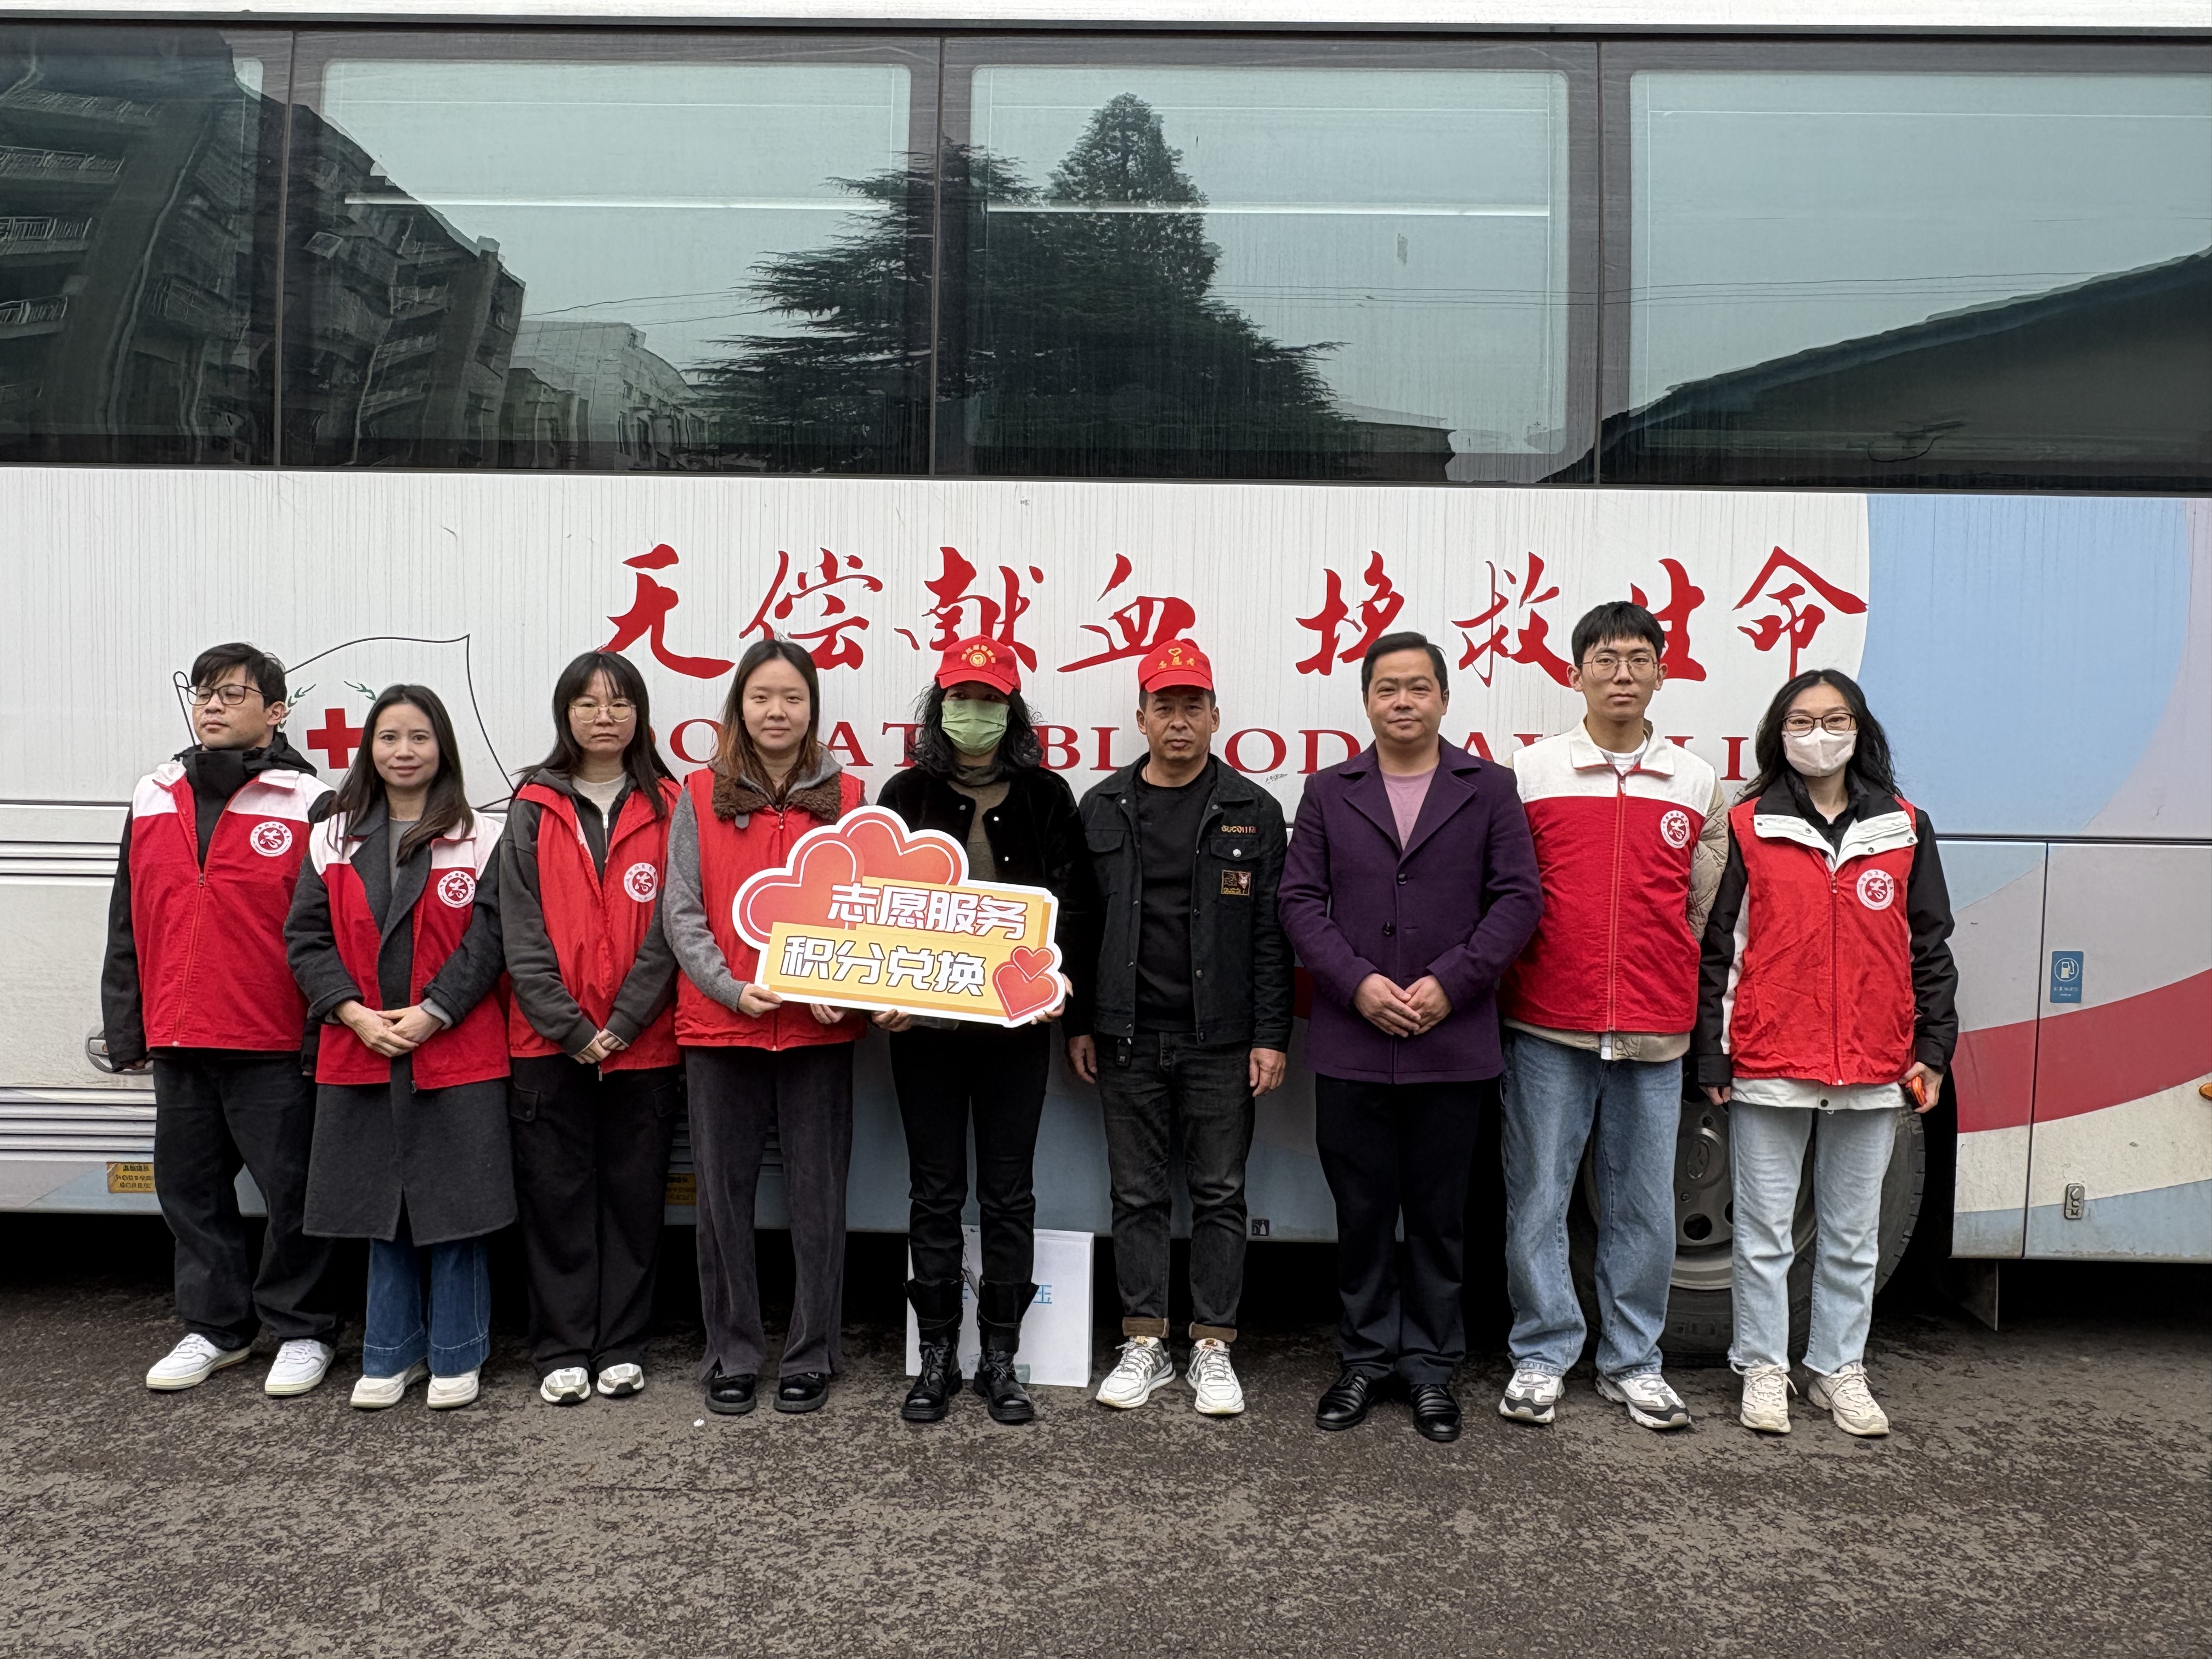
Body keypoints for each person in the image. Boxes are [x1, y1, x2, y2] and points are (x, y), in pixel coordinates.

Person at [1278, 631, 1542, 1443]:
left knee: (1439, 1216)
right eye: (1387, 688)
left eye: (1419, 687)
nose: (1403, 701)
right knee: (1362, 1213)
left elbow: (1518, 900)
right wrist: (1356, 982)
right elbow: (1299, 902)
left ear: (1444, 699)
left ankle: (1430, 1368)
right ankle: (1363, 1360)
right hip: (1353, 1041)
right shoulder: (1330, 790)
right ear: (1366, 701)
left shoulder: (1488, 788)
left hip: (1451, 1041)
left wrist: (1452, 982)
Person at [1696, 669, 1956, 1438]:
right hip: (1772, 1056)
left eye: (1835, 719)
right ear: (1779, 736)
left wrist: (1933, 1048)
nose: (1820, 735)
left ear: (1860, 730)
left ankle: (1838, 1370)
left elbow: (1929, 948)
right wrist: (1714, 1056)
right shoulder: (1750, 826)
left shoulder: (1904, 826)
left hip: (1874, 1062)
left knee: (1851, 1236)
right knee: (1765, 1236)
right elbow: (1722, 952)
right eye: (1802, 722)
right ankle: (1762, 1367)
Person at [1495, 602, 1726, 1432]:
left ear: (1662, 671)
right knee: (1538, 1198)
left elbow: (1701, 908)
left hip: (1655, 1029)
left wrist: (1661, 969)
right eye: (1604, 659)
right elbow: (1510, 892)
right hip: (1547, 1023)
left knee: (1643, 1208)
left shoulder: (1694, 781)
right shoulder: (1532, 773)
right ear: (1575, 673)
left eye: (1637, 659)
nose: (1621, 674)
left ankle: (1633, 1362)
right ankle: (1543, 1352)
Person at [661, 639, 890, 1418]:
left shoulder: (850, 795)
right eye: (761, 697)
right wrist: (728, 988)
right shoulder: (699, 792)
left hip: (817, 1034)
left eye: (793, 697)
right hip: (721, 1027)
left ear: (813, 709)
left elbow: (867, 912)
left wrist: (847, 992)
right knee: (721, 1202)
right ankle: (732, 1353)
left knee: (819, 1200)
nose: (777, 712)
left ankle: (811, 1353)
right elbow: (681, 911)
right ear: (738, 706)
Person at [103, 643, 338, 1397]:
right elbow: (129, 916)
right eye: (204, 692)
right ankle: (215, 1329)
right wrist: (128, 1025)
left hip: (273, 1038)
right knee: (191, 1193)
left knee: (293, 1194)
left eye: (233, 694)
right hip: (179, 1036)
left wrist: (323, 1029)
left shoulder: (312, 802)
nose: (212, 705)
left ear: (276, 712)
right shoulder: (154, 792)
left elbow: (333, 930)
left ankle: (302, 1329)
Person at [877, 636, 1098, 1426]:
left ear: (1013, 711)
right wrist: (880, 993)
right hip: (923, 1030)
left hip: (1015, 1028)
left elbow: (1075, 906)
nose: (975, 713)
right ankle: (937, 1355)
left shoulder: (1046, 795)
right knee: (934, 1190)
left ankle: (1001, 1357)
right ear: (939, 708)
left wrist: (1058, 986)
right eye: (961, 698)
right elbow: (874, 905)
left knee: (1010, 1192)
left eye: (990, 700)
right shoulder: (905, 792)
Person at [1068, 639, 1290, 1418]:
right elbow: (1079, 925)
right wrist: (1080, 1023)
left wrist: (1272, 1036)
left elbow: (1271, 936)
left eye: (1194, 707)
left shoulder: (1253, 811)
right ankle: (1144, 1341)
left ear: (1216, 718)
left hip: (1221, 1041)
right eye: (1164, 707)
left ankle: (1213, 1345)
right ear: (1141, 719)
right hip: (1125, 1035)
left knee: (1220, 1193)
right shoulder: (1102, 806)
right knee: (1136, 1194)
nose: (1179, 721)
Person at [287, 685, 511, 1411]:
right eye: (389, 738)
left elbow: (491, 939)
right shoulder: (332, 836)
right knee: (381, 1209)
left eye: (419, 737)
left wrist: (435, 1011)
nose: (404, 751)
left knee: (456, 1211)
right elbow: (306, 938)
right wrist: (352, 1012)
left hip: (455, 1047)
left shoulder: (480, 835)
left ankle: (457, 1352)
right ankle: (389, 1352)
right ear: (369, 749)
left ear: (443, 747)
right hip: (363, 1045)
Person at [500, 650, 681, 1407]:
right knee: (556, 1198)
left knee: (635, 1200)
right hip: (548, 1045)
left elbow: (675, 926)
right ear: (565, 715)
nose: (604, 717)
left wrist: (627, 1019)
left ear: (640, 715)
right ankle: (562, 1347)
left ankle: (622, 1345)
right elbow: (520, 931)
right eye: (587, 703)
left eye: (619, 703)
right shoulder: (532, 805)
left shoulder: (671, 804)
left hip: (646, 1043)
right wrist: (571, 1028)